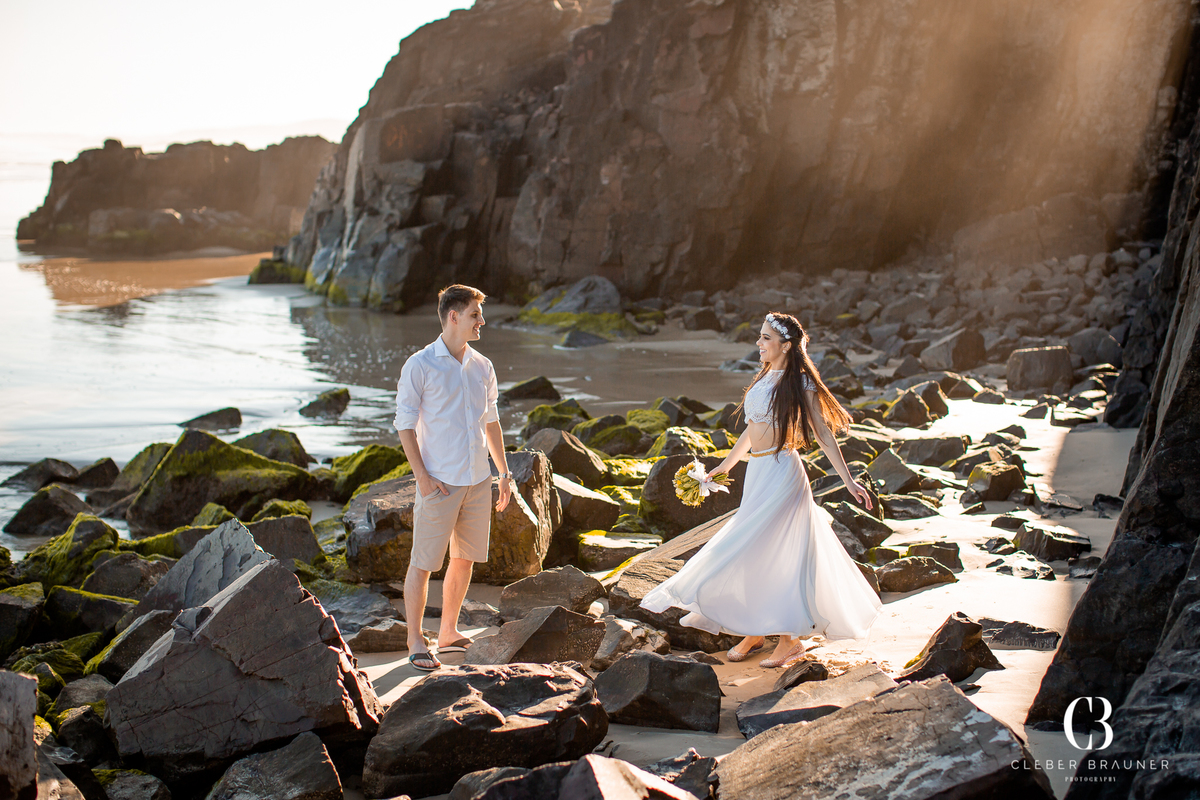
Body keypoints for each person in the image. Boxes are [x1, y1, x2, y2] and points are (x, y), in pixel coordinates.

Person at [640, 311, 882, 668]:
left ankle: (789, 640)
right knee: (754, 550)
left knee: (780, 551)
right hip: (759, 470)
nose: (759, 343)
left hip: (785, 474)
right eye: (760, 336)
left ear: (786, 345)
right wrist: (726, 465)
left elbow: (823, 434)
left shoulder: (801, 383)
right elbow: (752, 430)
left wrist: (848, 481)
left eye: (766, 338)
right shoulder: (765, 376)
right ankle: (755, 631)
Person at [394, 284, 511, 671]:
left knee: (464, 560)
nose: (483, 321)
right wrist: (423, 479)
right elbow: (405, 426)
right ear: (454, 316)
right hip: (440, 482)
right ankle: (415, 639)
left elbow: (490, 421)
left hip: (478, 480)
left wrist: (503, 473)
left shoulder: (483, 366)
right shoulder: (420, 365)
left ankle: (448, 631)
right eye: (476, 314)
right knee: (423, 562)